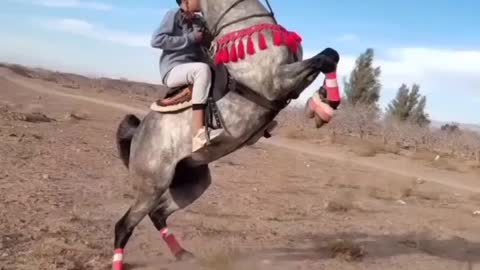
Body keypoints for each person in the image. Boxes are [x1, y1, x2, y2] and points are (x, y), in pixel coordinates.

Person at [151, 0, 224, 152]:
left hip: (193, 68)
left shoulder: (200, 20)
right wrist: (191, 38)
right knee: (202, 70)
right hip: (173, 69)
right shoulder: (173, 14)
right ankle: (198, 134)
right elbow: (157, 40)